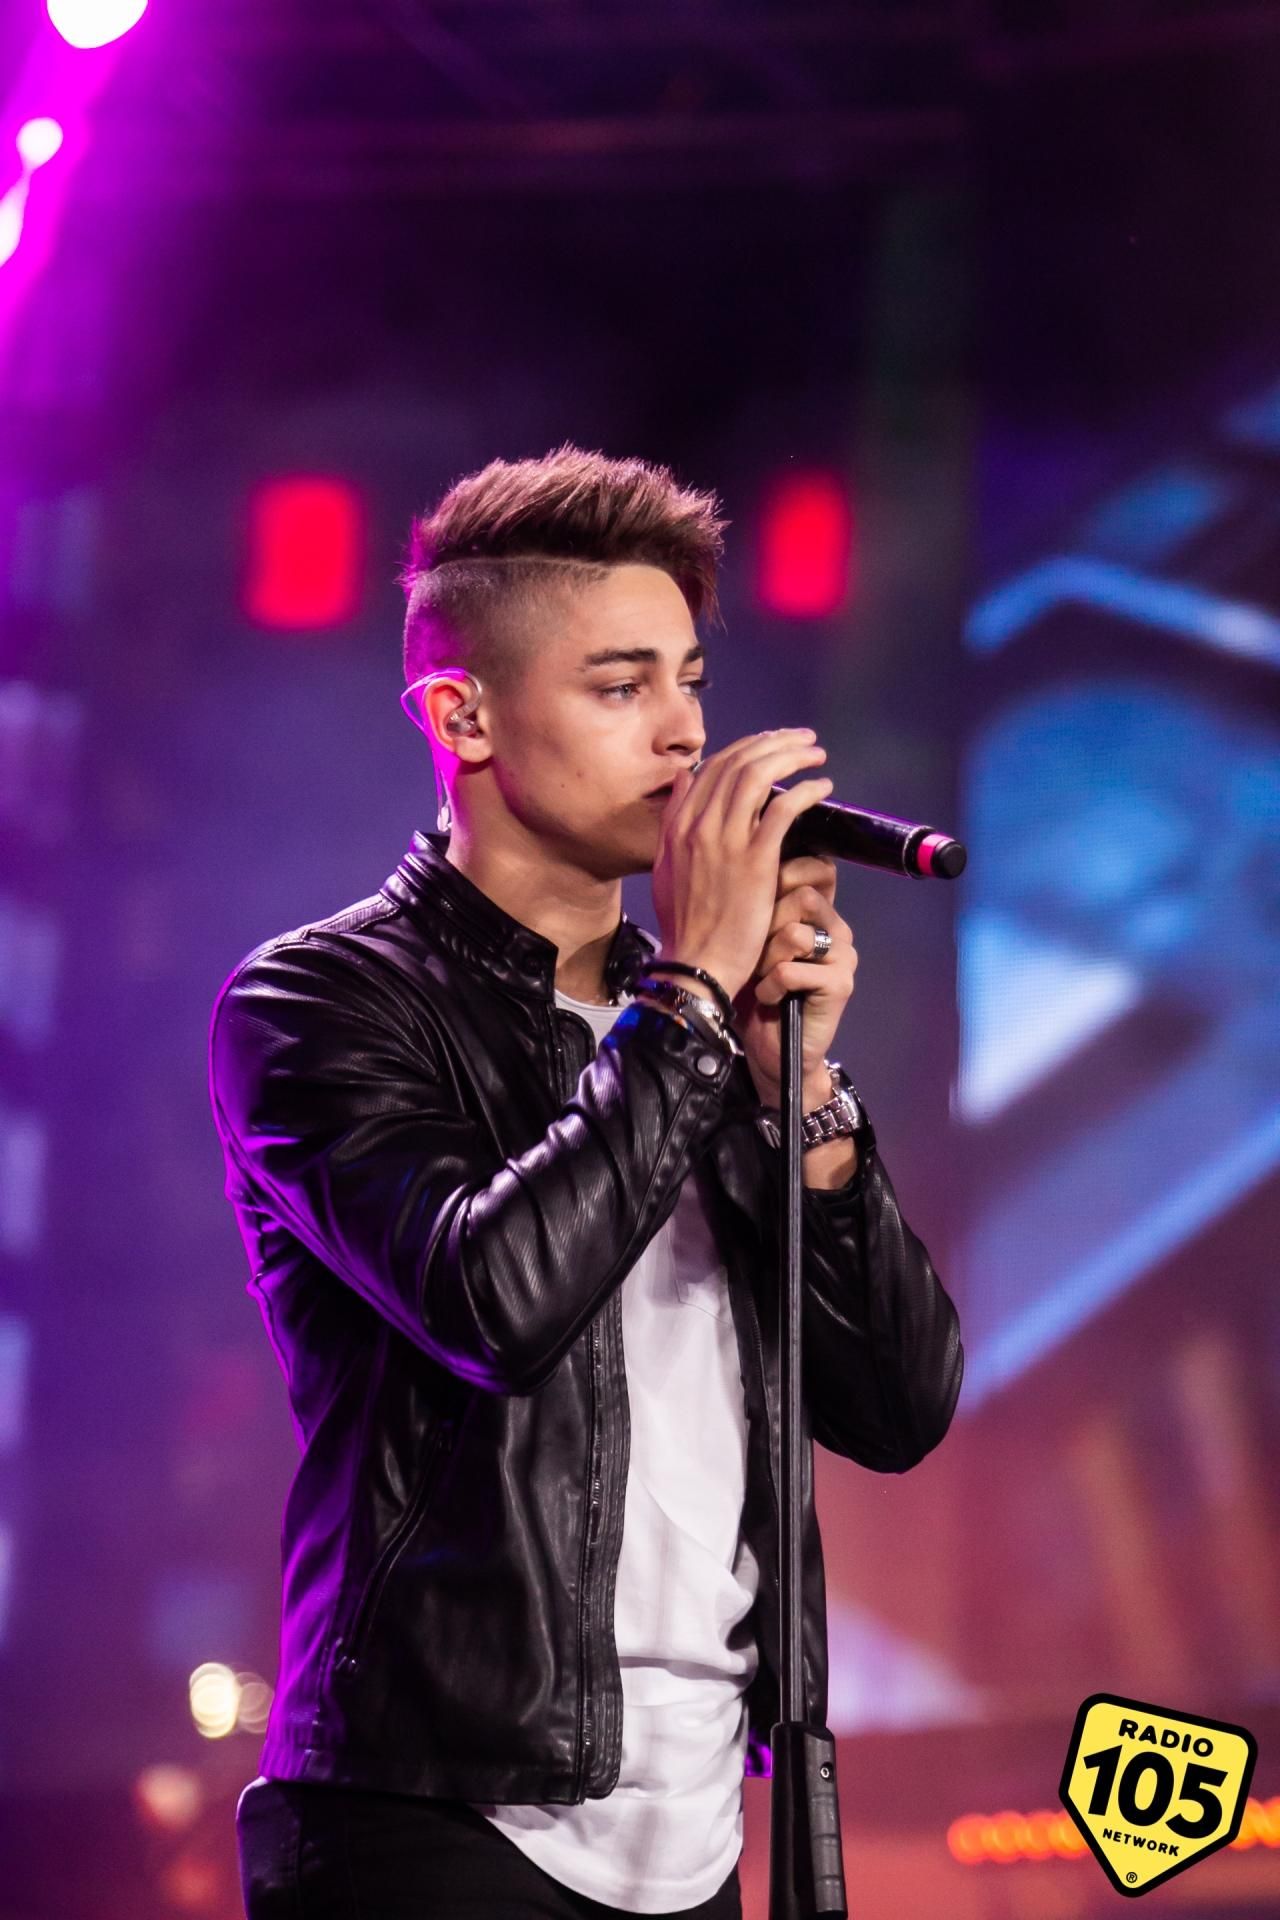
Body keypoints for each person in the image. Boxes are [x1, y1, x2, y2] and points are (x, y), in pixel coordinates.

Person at [208, 444, 964, 1919]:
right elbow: (491, 1300)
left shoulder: (701, 1030)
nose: (685, 733)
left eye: (690, 682)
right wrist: (691, 993)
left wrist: (799, 1087)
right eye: (622, 688)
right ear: (464, 716)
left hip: (703, 1827)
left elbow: (899, 1407)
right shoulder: (317, 1003)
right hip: (435, 1817)